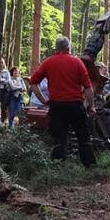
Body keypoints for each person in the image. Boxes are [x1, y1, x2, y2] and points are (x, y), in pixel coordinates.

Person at [29, 36, 97, 168]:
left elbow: (33, 82)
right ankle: (90, 166)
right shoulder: (77, 62)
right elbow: (88, 87)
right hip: (75, 105)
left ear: (56, 47)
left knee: (59, 139)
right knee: (83, 137)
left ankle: (58, 167)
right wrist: (92, 106)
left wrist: (43, 100)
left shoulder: (48, 62)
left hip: (56, 106)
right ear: (68, 47)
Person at [0, 58, 11, 124]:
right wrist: (3, 80)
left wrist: (2, 80)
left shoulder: (6, 72)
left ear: (4, 63)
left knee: (4, 105)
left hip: (5, 90)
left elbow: (8, 81)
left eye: (1, 62)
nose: (0, 64)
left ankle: (3, 120)